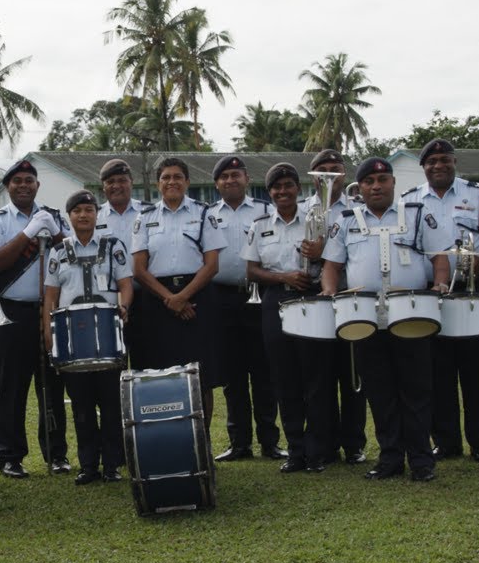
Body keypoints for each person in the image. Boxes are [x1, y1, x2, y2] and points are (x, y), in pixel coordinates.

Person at [321, 157, 449, 482]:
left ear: (393, 183)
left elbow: (439, 258)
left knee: (417, 389)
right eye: (369, 182)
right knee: (379, 390)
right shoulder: (347, 220)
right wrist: (330, 292)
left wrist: (440, 284)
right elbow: (332, 267)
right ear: (360, 187)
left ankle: (421, 460)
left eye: (382, 181)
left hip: (412, 314)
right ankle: (390, 458)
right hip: (365, 317)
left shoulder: (418, 215)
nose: (376, 187)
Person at [400, 139, 479, 463]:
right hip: (432, 290)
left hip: (473, 286)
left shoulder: (478, 194)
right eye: (431, 162)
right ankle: (445, 442)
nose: (438, 166)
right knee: (436, 371)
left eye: (444, 160)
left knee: (477, 370)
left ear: (455, 161)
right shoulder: (409, 200)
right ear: (424, 167)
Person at [243, 163, 335, 473]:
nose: (282, 191)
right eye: (276, 187)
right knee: (284, 378)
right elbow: (251, 270)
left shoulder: (316, 221)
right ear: (269, 192)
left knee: (315, 377)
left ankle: (317, 451)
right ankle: (296, 450)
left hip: (310, 298)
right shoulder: (258, 225)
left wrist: (319, 251)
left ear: (298, 189)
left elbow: (331, 260)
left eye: (288, 185)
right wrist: (283, 276)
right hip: (275, 300)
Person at [0, 160, 71, 479]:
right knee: (12, 387)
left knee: (52, 383)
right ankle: (9, 455)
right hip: (13, 312)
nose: (23, 185)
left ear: (37, 185)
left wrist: (56, 232)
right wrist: (30, 232)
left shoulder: (56, 216)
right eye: (17, 180)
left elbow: (72, 257)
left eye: (29, 180)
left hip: (50, 309)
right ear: (7, 187)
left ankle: (57, 453)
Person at [43, 190, 134, 485]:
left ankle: (112, 465)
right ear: (69, 217)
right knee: (81, 406)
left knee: (111, 405)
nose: (83, 215)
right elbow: (51, 297)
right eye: (77, 210)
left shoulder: (113, 246)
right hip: (73, 339)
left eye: (89, 210)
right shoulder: (58, 252)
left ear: (97, 214)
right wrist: (48, 332)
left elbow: (126, 284)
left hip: (108, 335)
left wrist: (125, 305)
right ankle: (88, 466)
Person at [130, 156, 225, 427]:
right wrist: (169, 298)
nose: (171, 182)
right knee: (158, 374)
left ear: (187, 182)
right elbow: (139, 269)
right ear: (158, 184)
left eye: (177, 177)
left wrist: (183, 298)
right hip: (156, 301)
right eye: (166, 177)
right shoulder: (144, 217)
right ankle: (167, 436)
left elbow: (212, 265)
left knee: (201, 375)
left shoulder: (204, 213)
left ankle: (201, 443)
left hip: (197, 298)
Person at [207, 156, 286, 462]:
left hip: (261, 296)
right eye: (224, 176)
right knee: (232, 375)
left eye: (236, 175)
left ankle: (270, 441)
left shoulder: (267, 210)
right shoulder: (208, 214)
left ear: (246, 178)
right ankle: (239, 443)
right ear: (217, 183)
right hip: (222, 299)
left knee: (264, 371)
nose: (230, 180)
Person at [298, 149, 367, 465]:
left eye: (335, 169)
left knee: (351, 373)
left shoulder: (358, 210)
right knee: (316, 376)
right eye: (322, 170)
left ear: (345, 175)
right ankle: (322, 445)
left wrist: (326, 249)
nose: (329, 175)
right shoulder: (300, 211)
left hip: (348, 296)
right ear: (312, 176)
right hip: (312, 296)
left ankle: (354, 444)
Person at [95, 158, 144, 363]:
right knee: (113, 365)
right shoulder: (93, 216)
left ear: (131, 182)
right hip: (110, 301)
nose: (116, 186)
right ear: (103, 187)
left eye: (122, 180)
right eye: (110, 181)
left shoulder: (148, 212)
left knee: (146, 360)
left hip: (146, 298)